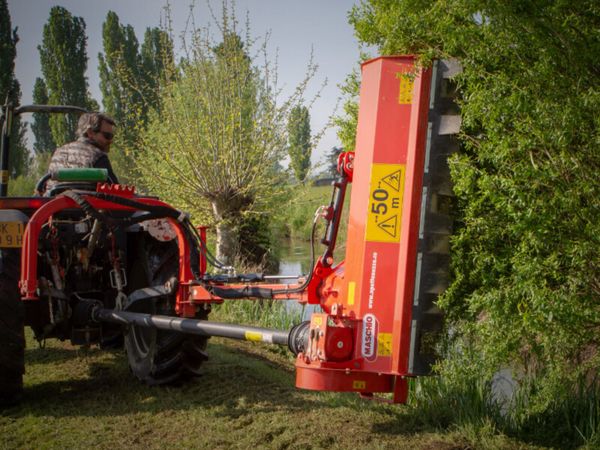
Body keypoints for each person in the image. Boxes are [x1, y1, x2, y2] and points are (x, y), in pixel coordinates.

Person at [45, 112, 119, 193]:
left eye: (111, 137)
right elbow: (116, 192)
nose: (111, 141)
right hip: (84, 201)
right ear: (90, 132)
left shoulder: (58, 153)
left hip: (53, 200)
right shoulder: (98, 156)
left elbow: (45, 187)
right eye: (107, 136)